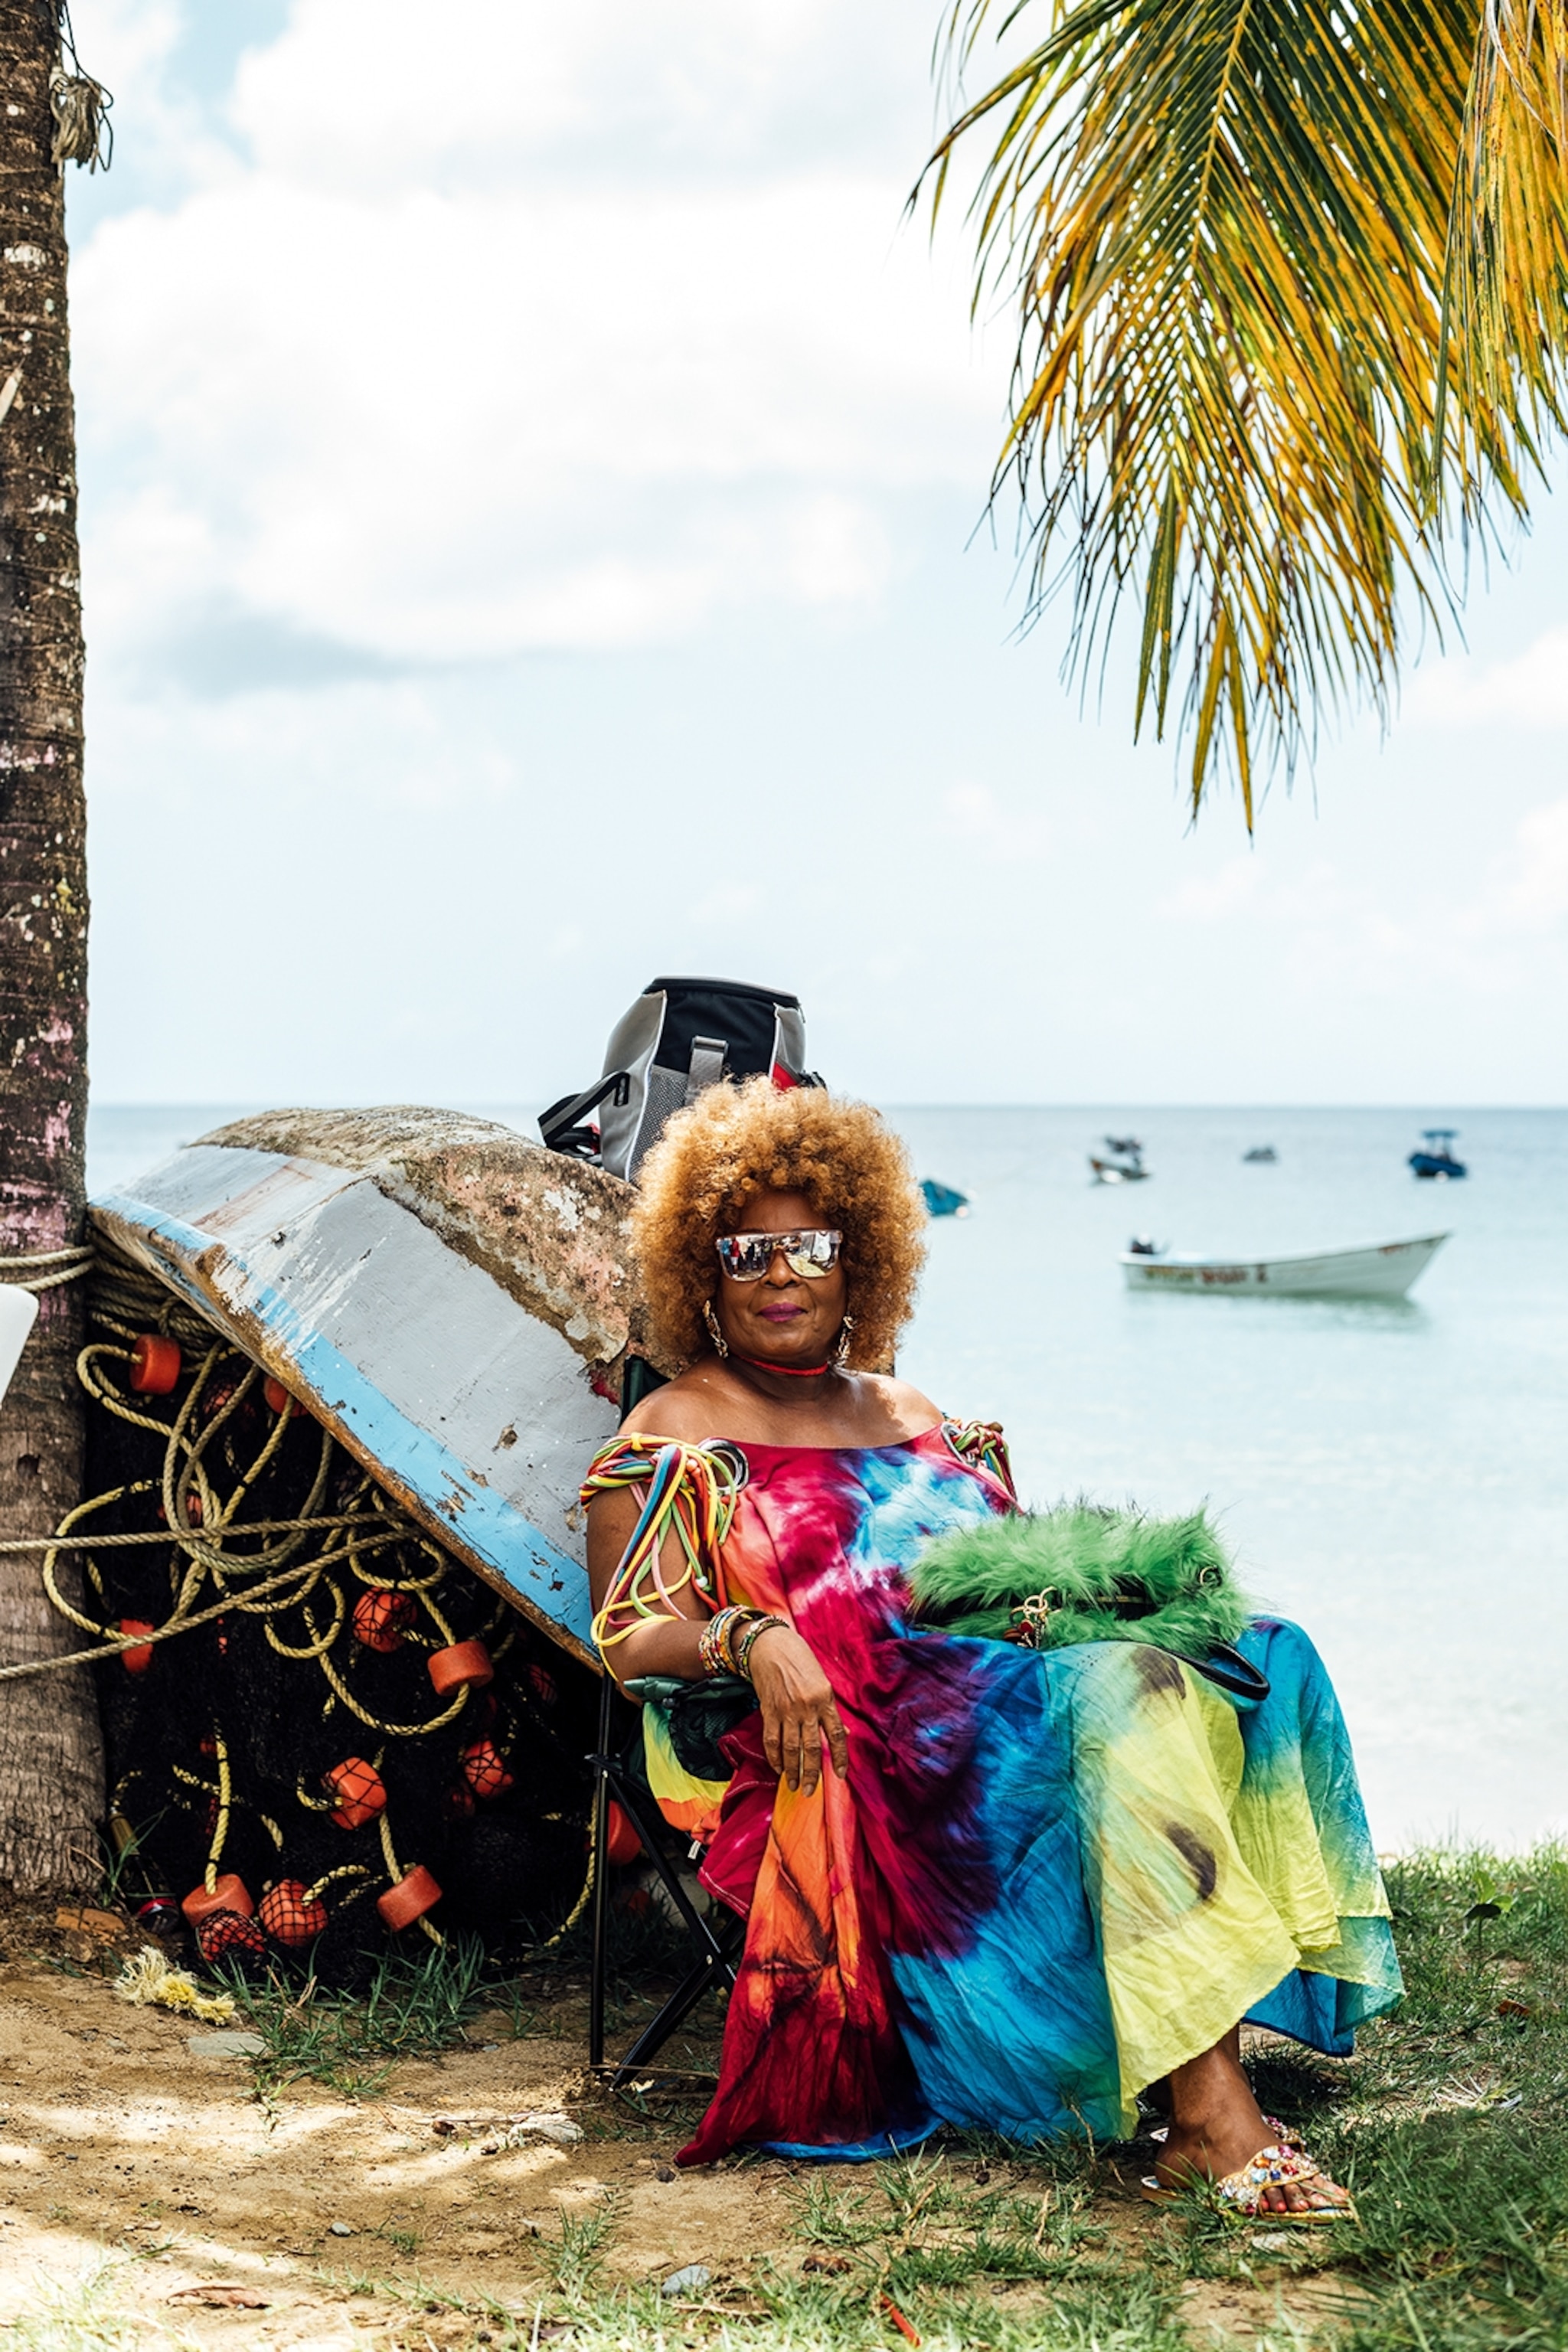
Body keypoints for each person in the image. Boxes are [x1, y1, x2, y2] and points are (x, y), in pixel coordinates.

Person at [583, 1080, 1400, 2214]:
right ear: (702, 1268)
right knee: (1122, 1698)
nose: (781, 1273)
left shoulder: (916, 1412)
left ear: (857, 1258)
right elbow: (627, 1637)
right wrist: (751, 1630)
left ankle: (1197, 2033)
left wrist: (1085, 1599)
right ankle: (1213, 2120)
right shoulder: (674, 1426)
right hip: (855, 1741)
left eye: (811, 1245)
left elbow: (1005, 1575)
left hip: (988, 1686)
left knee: (1263, 1650)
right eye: (747, 1249)